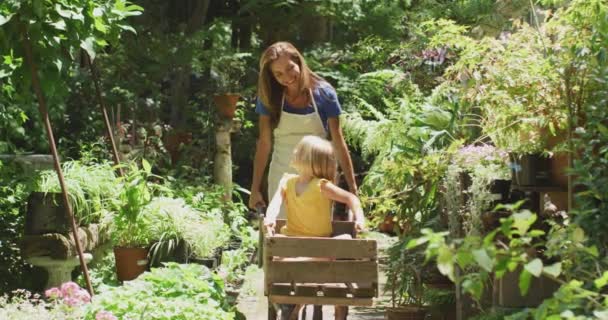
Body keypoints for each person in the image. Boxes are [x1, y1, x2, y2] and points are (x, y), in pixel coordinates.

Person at [248, 41, 357, 220]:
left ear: (299, 61)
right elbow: (264, 143)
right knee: (280, 231)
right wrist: (255, 189)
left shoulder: (325, 94)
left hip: (319, 173)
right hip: (281, 172)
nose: (287, 76)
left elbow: (338, 142)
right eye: (278, 74)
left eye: (290, 68)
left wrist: (353, 190)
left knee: (316, 233)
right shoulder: (269, 97)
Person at [263, 135, 365, 320]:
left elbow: (352, 199)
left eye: (299, 151)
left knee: (342, 242)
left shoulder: (321, 186)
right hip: (293, 244)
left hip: (319, 249)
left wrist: (360, 219)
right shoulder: (287, 181)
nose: (294, 152)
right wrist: (270, 218)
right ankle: (293, 307)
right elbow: (275, 202)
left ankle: (293, 307)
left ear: (310, 160)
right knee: (281, 252)